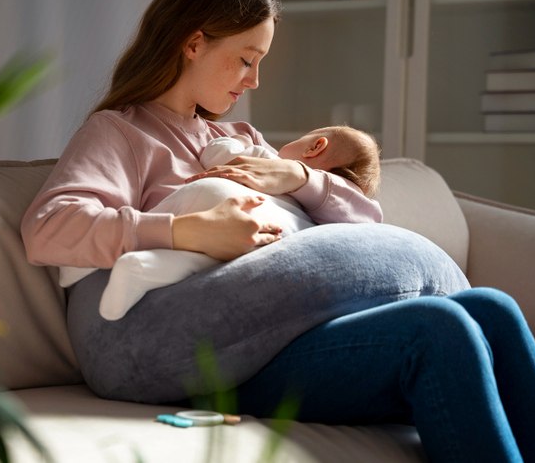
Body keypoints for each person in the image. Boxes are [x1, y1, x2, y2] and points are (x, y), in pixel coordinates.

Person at [20, 0, 535, 461]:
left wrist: (302, 177)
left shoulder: (240, 137)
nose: (254, 80)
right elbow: (49, 227)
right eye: (245, 59)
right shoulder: (122, 132)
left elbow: (362, 233)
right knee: (440, 327)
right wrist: (188, 231)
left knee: (492, 308)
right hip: (206, 349)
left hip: (285, 328)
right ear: (193, 43)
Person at [60, 125, 381, 321]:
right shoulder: (314, 211)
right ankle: (142, 266)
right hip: (256, 221)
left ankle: (121, 264)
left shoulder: (265, 158)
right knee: (199, 257)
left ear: (315, 146)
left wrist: (233, 144)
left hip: (220, 199)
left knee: (201, 244)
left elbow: (216, 152)